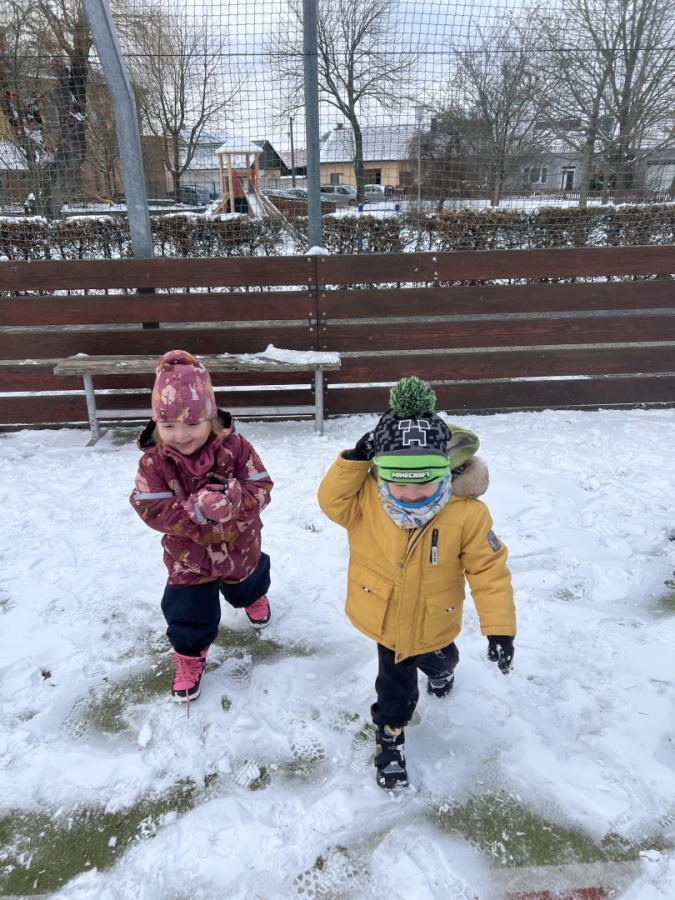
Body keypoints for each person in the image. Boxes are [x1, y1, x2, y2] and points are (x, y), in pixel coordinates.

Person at [317, 376, 515, 790]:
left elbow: (488, 570)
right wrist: (354, 460)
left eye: (423, 482)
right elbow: (331, 502)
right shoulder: (366, 500)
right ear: (382, 475)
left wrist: (499, 627)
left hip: (435, 618)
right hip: (387, 616)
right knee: (395, 690)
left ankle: (442, 669)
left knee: (441, 658)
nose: (410, 493)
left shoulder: (466, 513)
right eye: (399, 482)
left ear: (444, 472)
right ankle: (390, 736)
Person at [130, 350, 273, 708]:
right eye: (168, 425)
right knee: (187, 611)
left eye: (192, 423)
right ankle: (190, 655)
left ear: (210, 417)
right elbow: (149, 506)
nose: (180, 434)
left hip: (239, 544)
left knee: (248, 581)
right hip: (188, 557)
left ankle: (253, 597)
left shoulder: (236, 448)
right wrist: (193, 510)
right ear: (156, 424)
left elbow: (262, 485)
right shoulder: (154, 463)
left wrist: (236, 500)